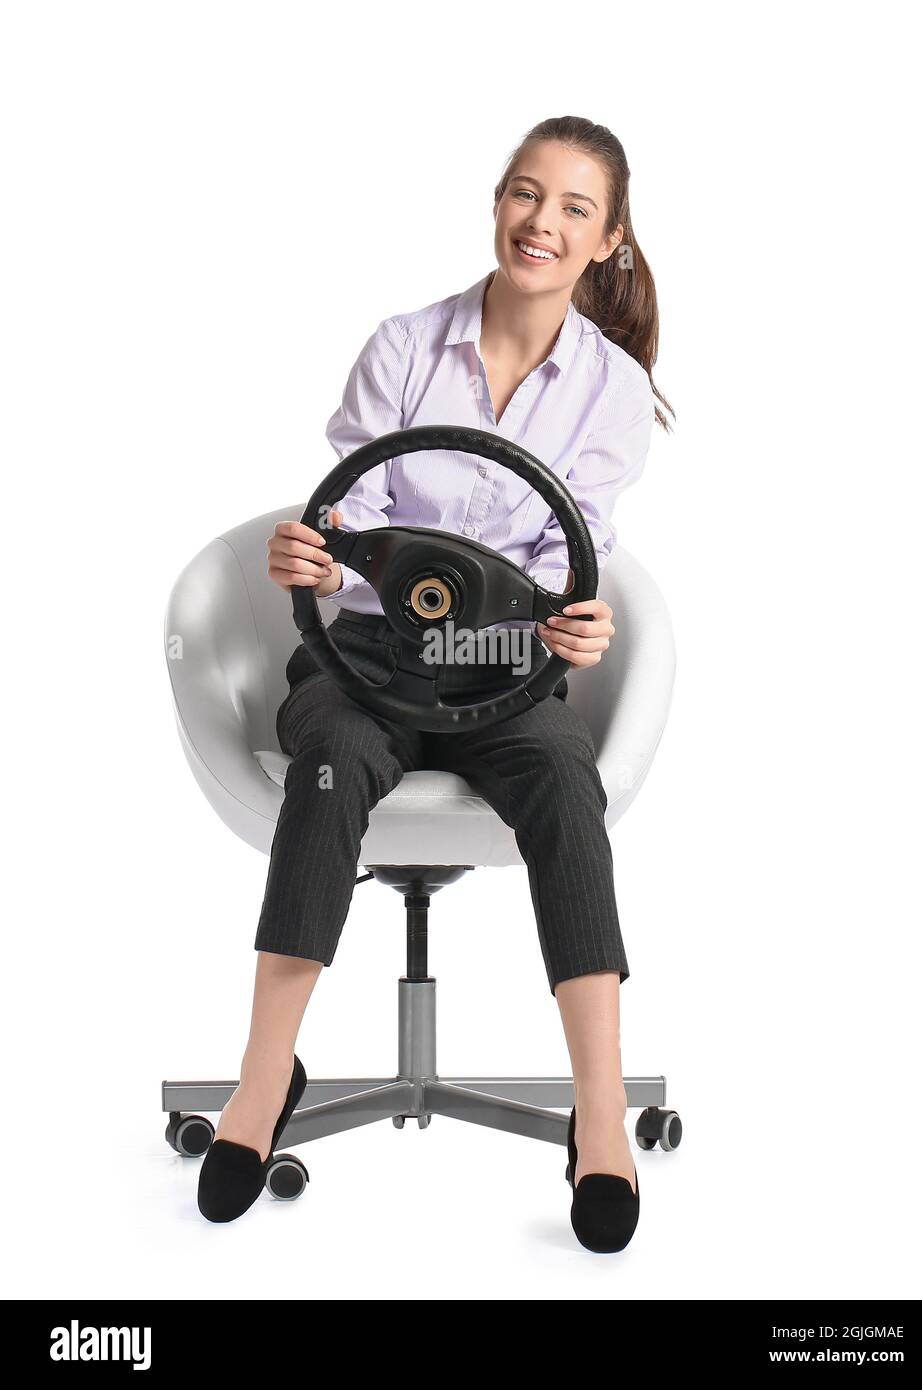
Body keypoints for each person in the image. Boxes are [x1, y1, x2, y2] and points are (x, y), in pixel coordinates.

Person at [197, 115, 674, 1250]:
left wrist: (578, 629)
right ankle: (263, 1086)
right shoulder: (407, 344)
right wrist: (310, 550)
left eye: (571, 208)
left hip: (503, 679)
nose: (540, 223)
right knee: (333, 760)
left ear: (608, 239)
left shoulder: (611, 390)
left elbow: (573, 559)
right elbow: (345, 511)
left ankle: (597, 1116)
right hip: (362, 663)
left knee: (566, 781)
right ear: (496, 203)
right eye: (524, 194)